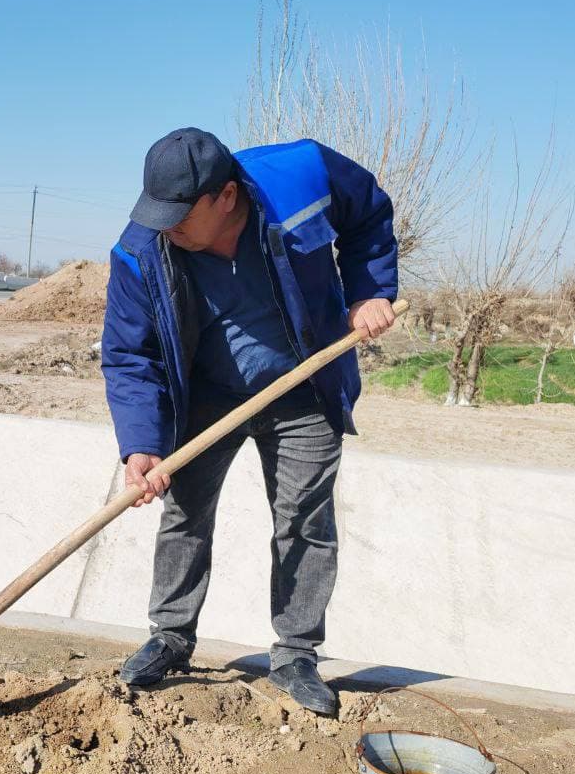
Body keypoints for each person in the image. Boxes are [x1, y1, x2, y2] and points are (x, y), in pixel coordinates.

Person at [102, 128, 397, 716]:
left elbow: (370, 212)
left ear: (227, 196)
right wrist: (142, 444)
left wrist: (369, 291)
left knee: (304, 521)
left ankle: (295, 655)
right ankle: (170, 635)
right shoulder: (139, 252)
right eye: (159, 212)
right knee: (184, 511)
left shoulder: (303, 179)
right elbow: (129, 355)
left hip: (304, 383)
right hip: (208, 394)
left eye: (182, 213)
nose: (168, 226)